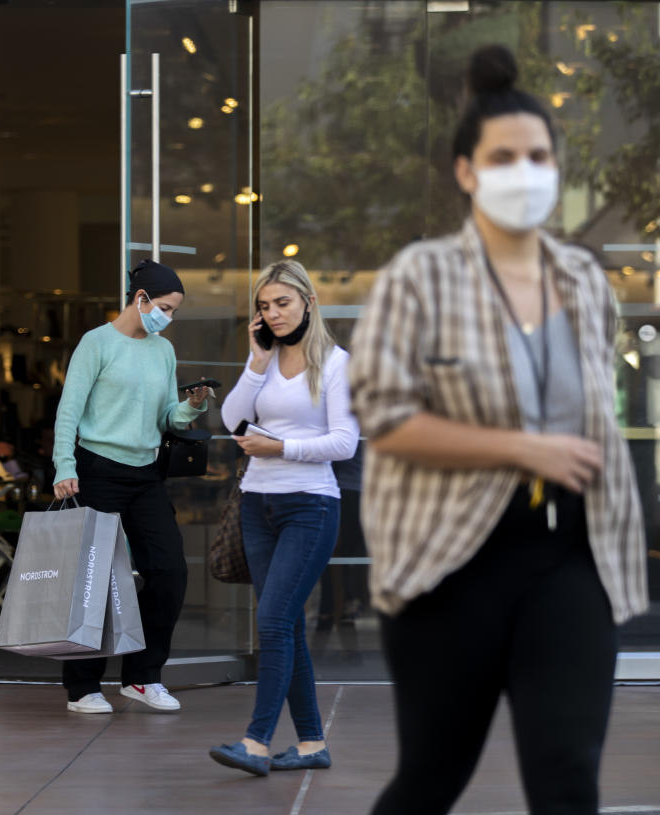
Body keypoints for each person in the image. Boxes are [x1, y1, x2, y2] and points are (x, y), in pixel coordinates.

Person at [349, 46, 648, 815]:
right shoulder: (419, 276)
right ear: (465, 170)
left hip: (571, 559)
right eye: (504, 156)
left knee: (566, 774)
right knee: (430, 777)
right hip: (452, 560)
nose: (526, 171)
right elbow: (381, 416)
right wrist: (520, 447)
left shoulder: (581, 277)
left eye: (539, 155)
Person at [209, 259, 358, 776]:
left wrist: (279, 446)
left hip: (310, 506)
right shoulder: (265, 361)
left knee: (272, 621)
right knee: (287, 626)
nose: (272, 314)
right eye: (264, 306)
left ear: (309, 303)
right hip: (256, 504)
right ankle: (313, 744)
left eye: (282, 303)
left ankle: (256, 742)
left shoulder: (337, 363)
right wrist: (254, 363)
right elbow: (230, 421)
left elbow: (344, 442)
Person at [52, 259, 209, 714]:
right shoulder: (95, 344)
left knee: (169, 572)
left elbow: (166, 418)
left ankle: (142, 677)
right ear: (139, 299)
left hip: (146, 473)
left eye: (173, 311)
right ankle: (82, 687)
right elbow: (69, 410)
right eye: (164, 307)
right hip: (96, 469)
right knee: (93, 579)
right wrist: (65, 464)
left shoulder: (162, 349)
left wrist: (191, 405)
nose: (168, 317)